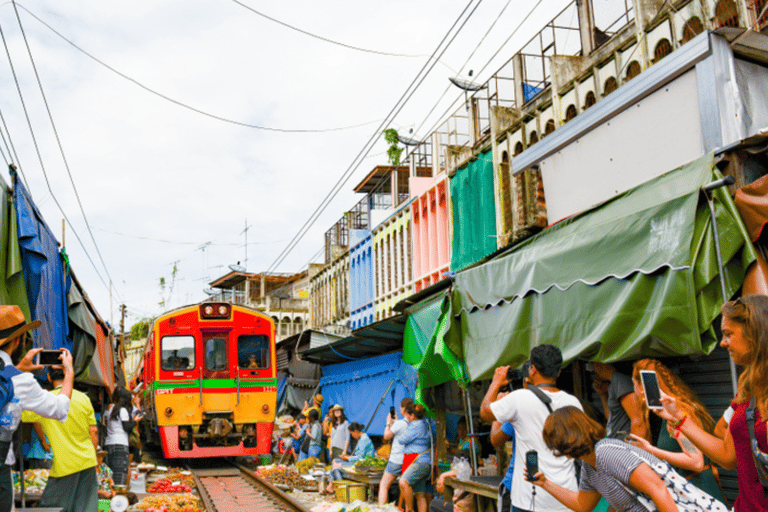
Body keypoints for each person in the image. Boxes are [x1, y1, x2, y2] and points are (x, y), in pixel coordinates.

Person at [657, 295, 768, 511]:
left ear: (755, 333)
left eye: (728, 334)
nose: (723, 343)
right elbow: (727, 457)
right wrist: (679, 417)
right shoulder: (748, 387)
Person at [534, 406, 726, 512]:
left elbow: (658, 489)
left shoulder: (607, 452)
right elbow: (582, 505)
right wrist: (544, 483)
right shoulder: (589, 465)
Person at [480, 344, 583, 512]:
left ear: (532, 369)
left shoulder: (520, 399)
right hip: (566, 498)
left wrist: (496, 381)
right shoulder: (573, 402)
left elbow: (485, 412)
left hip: (529, 500)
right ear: (558, 372)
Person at [0, 306, 74, 512]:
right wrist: (69, 372)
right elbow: (60, 409)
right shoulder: (21, 381)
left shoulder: (13, 377)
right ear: (17, 341)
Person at [627, 358, 726, 504]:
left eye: (634, 384)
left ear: (642, 387)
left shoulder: (674, 416)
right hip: (703, 491)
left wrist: (650, 450)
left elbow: (695, 460)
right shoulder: (677, 409)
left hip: (699, 494)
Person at [22, 366, 99, 512]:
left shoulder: (46, 400)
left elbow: (21, 413)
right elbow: (93, 431)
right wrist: (93, 458)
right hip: (87, 461)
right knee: (86, 508)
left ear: (49, 378)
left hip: (65, 465)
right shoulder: (84, 398)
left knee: (51, 508)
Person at [588, 362, 650, 442]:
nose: (594, 370)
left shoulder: (620, 380)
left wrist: (635, 450)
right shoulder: (613, 382)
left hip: (626, 447)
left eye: (593, 364)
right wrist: (603, 394)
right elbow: (612, 417)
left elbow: (638, 421)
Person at [378, 397, 413, 506]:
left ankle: (382, 509)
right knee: (404, 485)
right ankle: (404, 508)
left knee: (383, 485)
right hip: (407, 460)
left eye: (400, 407)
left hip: (396, 460)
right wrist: (396, 421)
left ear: (403, 409)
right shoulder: (413, 424)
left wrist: (388, 423)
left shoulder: (399, 424)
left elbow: (386, 436)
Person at [398, 402, 432, 512]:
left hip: (418, 462)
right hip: (425, 461)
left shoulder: (415, 425)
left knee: (403, 482)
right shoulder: (425, 423)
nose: (406, 418)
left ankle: (409, 509)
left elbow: (401, 439)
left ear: (412, 416)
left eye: (407, 415)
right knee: (420, 495)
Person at [104, 387, 140, 486]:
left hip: (109, 443)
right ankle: (118, 499)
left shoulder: (111, 408)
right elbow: (126, 428)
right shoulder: (122, 410)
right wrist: (135, 421)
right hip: (120, 444)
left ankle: (110, 498)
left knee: (110, 473)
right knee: (120, 476)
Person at [325, 423, 376, 492]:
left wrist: (348, 458)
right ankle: (331, 485)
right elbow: (359, 456)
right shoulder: (362, 438)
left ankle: (342, 490)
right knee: (335, 460)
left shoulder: (364, 440)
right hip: (357, 462)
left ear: (355, 431)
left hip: (362, 465)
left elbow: (360, 458)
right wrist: (347, 457)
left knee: (336, 467)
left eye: (351, 433)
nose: (352, 435)